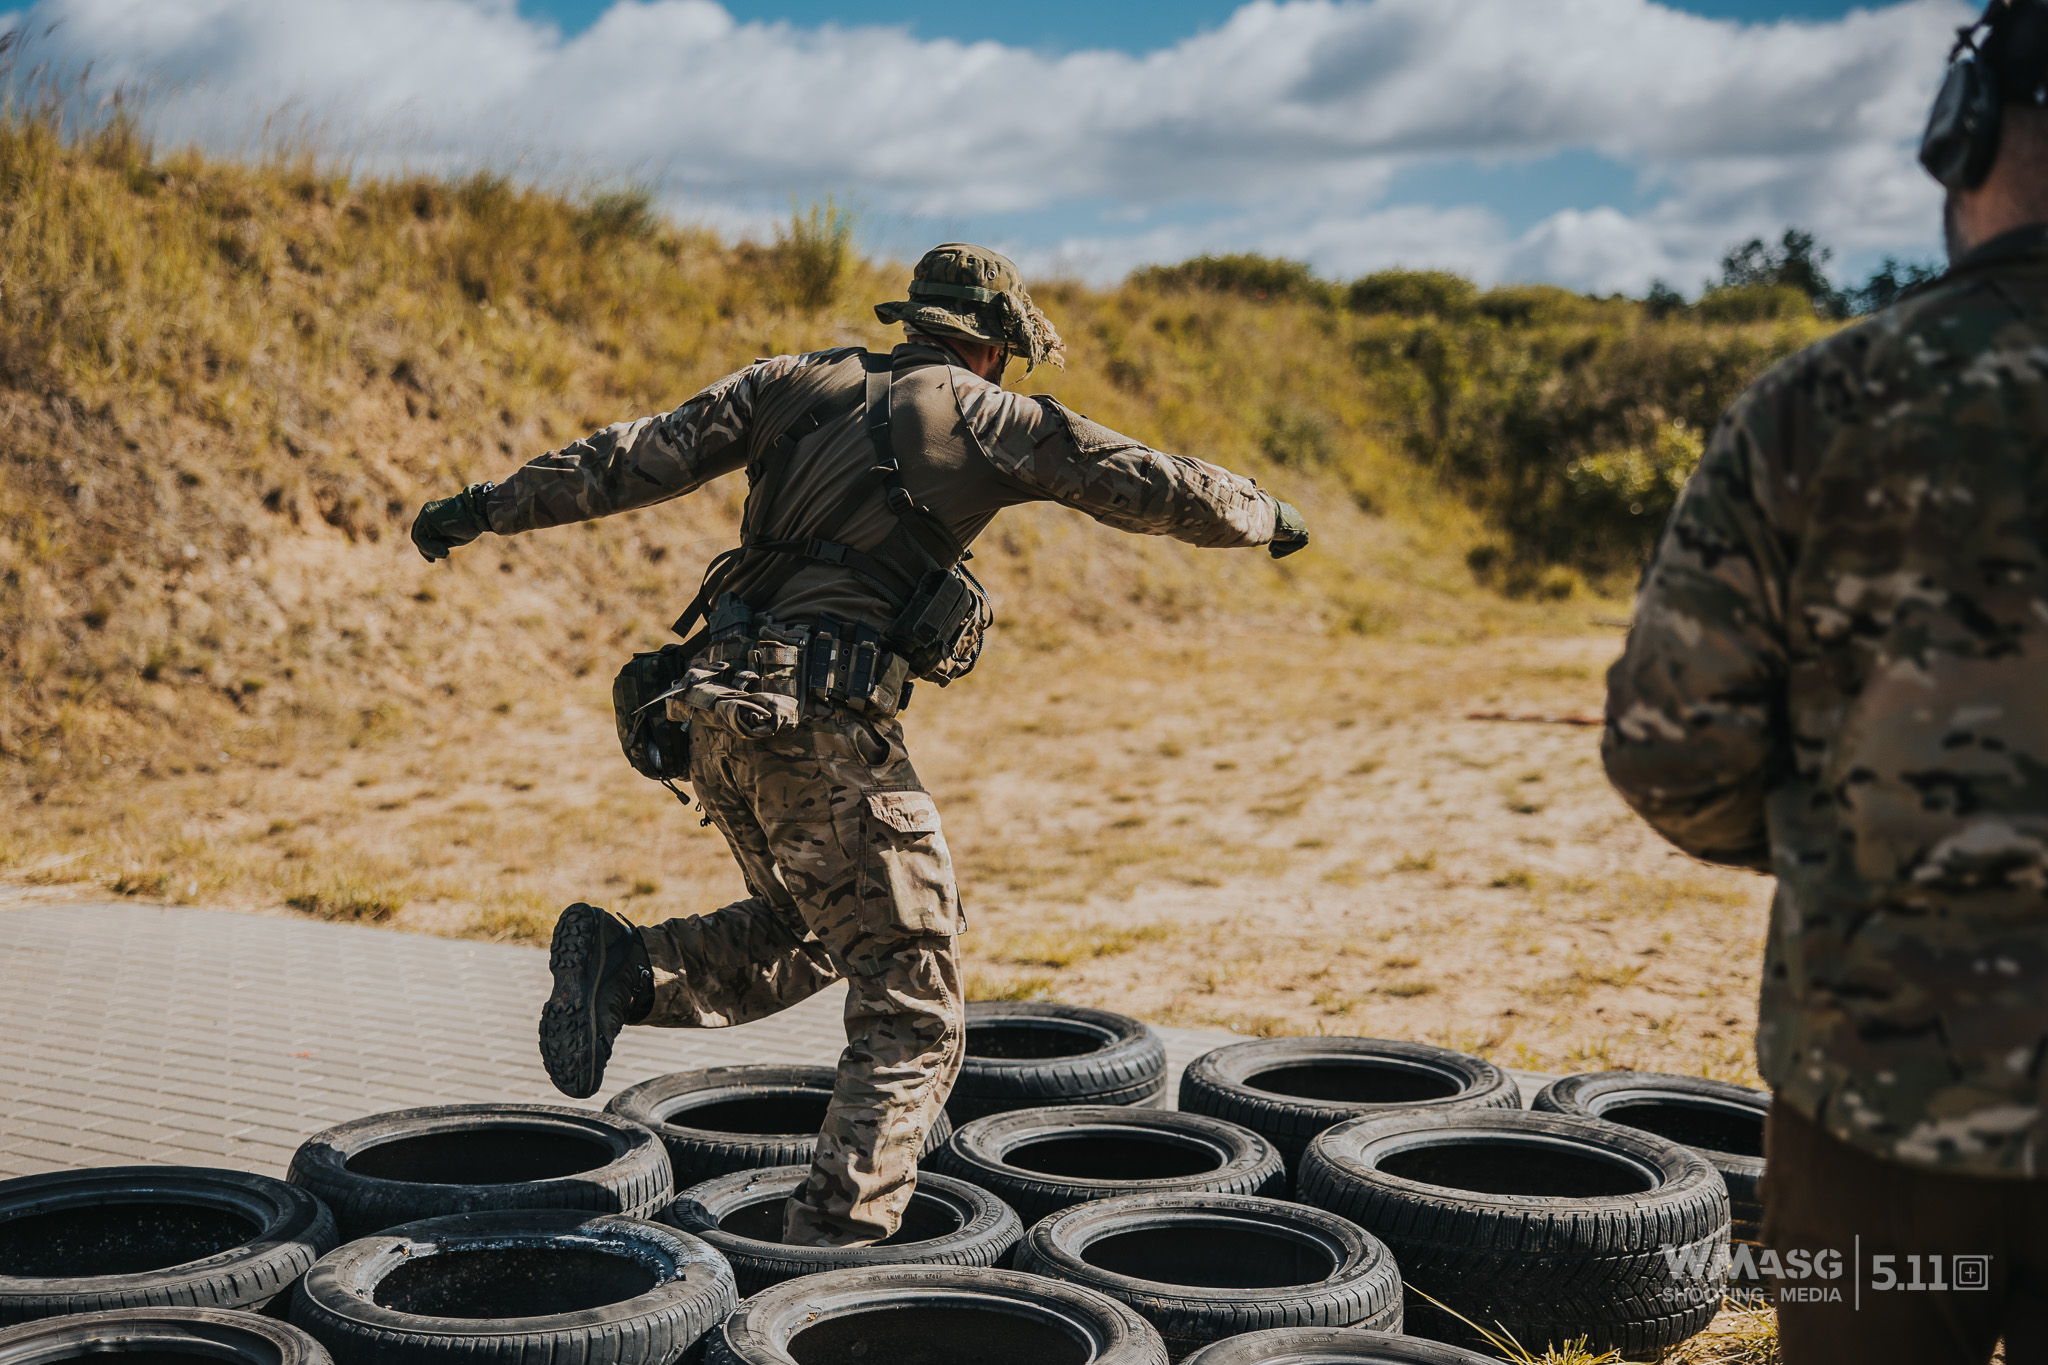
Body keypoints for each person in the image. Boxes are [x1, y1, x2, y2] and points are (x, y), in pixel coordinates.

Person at [408, 243, 1309, 1248]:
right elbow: (1139, 479)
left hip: (712, 712)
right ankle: (834, 1244)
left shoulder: (790, 381)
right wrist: (1260, 512)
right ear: (995, 344)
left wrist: (484, 506)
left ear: (915, 319)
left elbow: (629, 458)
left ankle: (629, 970)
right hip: (820, 726)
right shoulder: (984, 415)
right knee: (913, 1002)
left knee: (811, 926)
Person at [1602, 3, 2048, 1359]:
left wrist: (1844, 846)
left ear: (1959, 136)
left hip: (1878, 1085)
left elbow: (1672, 746)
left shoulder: (1823, 403)